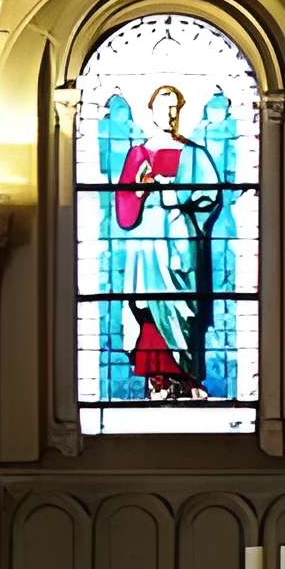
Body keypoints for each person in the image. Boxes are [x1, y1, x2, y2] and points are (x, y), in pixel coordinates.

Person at [112, 80, 226, 398]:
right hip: (146, 244)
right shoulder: (138, 154)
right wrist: (141, 186)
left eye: (175, 108)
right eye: (164, 108)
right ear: (151, 112)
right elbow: (123, 205)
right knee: (149, 306)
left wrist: (174, 192)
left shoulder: (194, 153)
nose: (171, 114)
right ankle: (157, 379)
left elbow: (210, 194)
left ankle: (186, 377)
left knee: (182, 307)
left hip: (180, 241)